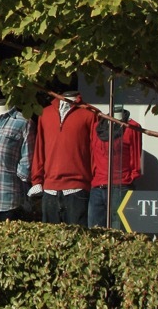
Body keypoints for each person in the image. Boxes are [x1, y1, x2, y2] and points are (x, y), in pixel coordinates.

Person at [30, 90, 95, 225]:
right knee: (49, 242)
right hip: (49, 190)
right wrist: (37, 180)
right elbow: (39, 149)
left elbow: (95, 151)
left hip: (78, 188)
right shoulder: (45, 113)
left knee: (79, 240)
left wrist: (93, 183)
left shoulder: (89, 113)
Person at [88, 107, 142, 229]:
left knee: (119, 232)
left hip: (120, 187)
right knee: (94, 233)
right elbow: (92, 155)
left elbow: (136, 158)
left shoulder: (132, 128)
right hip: (97, 188)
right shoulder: (97, 126)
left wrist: (129, 179)